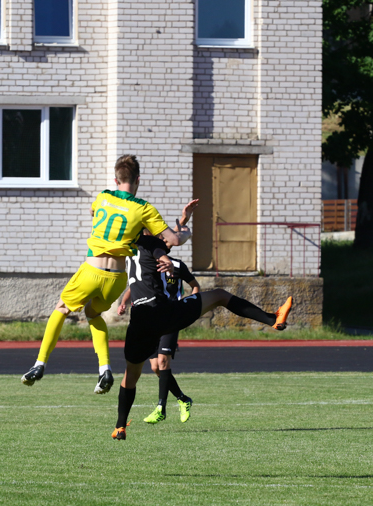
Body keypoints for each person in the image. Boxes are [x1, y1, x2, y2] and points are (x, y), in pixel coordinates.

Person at [21, 154, 196, 394]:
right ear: (138, 179)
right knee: (93, 313)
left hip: (91, 270)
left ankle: (39, 364)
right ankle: (104, 369)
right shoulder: (144, 208)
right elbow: (173, 240)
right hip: (116, 279)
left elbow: (94, 212)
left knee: (61, 308)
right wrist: (185, 230)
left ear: (116, 179)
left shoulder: (103, 196)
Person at [111, 232, 293, 440]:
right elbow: (170, 243)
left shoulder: (126, 245)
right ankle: (273, 319)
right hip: (162, 312)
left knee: (131, 376)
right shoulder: (150, 241)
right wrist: (168, 257)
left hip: (139, 319)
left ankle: (120, 427)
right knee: (220, 295)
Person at [117, 210, 200, 425]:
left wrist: (192, 305)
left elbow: (175, 240)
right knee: (155, 366)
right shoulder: (145, 257)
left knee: (163, 361)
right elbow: (135, 283)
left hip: (169, 314)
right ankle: (183, 398)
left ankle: (161, 407)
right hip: (151, 316)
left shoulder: (175, 264)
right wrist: (124, 301)